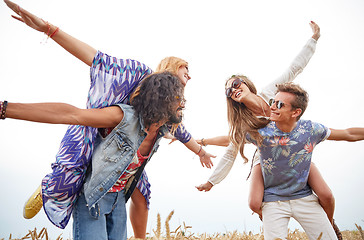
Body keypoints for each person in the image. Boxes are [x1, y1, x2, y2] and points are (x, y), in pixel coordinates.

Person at [4, 0, 215, 235]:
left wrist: (200, 151)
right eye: (185, 73)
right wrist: (49, 29)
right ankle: (52, 184)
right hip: (96, 142)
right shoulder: (135, 81)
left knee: (142, 193)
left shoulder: (166, 122)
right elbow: (95, 62)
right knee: (74, 167)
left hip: (120, 180)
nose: (188, 81)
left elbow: (183, 133)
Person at [1, 72, 186, 240]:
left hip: (119, 200)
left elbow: (188, 137)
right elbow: (72, 115)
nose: (183, 102)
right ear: (162, 100)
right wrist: (5, 109)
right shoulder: (123, 117)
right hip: (92, 197)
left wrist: (201, 150)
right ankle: (48, 185)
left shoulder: (162, 130)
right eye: (178, 98)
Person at [204, 82, 364, 239]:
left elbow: (348, 134)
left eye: (279, 105)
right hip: (273, 202)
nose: (271, 107)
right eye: (273, 102)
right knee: (254, 203)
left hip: (304, 197)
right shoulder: (260, 133)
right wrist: (200, 142)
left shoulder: (310, 129)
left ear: (295, 112)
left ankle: (330, 224)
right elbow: (230, 139)